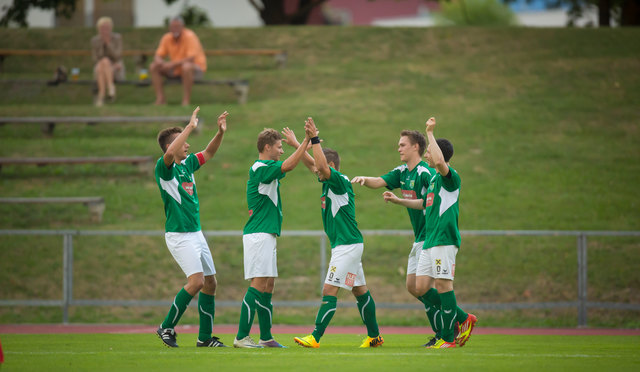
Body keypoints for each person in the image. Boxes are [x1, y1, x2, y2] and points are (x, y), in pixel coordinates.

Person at [382, 117, 477, 349]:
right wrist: (398, 201)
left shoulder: (449, 178)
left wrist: (430, 132)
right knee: (420, 287)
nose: (426, 155)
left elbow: (441, 163)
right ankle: (463, 317)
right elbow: (424, 203)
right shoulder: (434, 179)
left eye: (430, 152)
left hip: (444, 239)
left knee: (445, 286)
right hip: (430, 240)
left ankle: (447, 338)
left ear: (439, 156)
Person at [289, 117, 383, 349]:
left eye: (322, 168)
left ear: (330, 166)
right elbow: (315, 166)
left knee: (329, 289)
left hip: (347, 246)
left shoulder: (339, 181)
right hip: (347, 245)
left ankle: (315, 337)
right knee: (360, 290)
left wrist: (314, 139)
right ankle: (375, 337)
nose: (316, 172)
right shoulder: (328, 182)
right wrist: (296, 145)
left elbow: (319, 166)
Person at [351, 130, 446, 346]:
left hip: (431, 235)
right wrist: (365, 179)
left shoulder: (425, 173)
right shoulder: (403, 172)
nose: (399, 148)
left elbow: (432, 202)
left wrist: (398, 201)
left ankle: (451, 323)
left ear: (416, 147)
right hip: (419, 237)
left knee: (422, 287)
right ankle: (449, 322)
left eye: (403, 144)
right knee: (413, 287)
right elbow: (380, 181)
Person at [154, 106, 229, 348]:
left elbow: (208, 152)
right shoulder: (164, 169)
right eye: (182, 141)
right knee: (196, 281)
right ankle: (166, 327)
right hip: (179, 235)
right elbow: (172, 153)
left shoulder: (188, 165)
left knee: (210, 283)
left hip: (196, 233)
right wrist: (190, 126)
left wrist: (220, 132)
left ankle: (204, 338)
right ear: (169, 148)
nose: (187, 145)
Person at [233, 124, 312, 349]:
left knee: (268, 285)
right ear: (267, 147)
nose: (281, 150)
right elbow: (288, 165)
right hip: (258, 234)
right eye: (278, 146)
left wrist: (301, 143)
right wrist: (305, 141)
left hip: (266, 234)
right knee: (258, 284)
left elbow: (288, 164)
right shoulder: (259, 167)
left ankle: (266, 337)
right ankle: (241, 336)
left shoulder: (267, 167)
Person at [150, 16, 207, 106]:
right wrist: (159, 61)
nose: (175, 29)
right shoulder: (167, 38)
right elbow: (158, 55)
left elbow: (191, 58)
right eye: (173, 26)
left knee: (186, 66)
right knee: (154, 66)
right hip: (176, 69)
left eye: (177, 26)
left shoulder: (190, 36)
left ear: (182, 26)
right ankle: (160, 100)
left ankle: (186, 101)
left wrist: (171, 64)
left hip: (195, 69)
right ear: (169, 27)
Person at [91, 16, 124, 107]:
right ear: (98, 29)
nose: (105, 30)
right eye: (102, 28)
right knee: (103, 62)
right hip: (101, 66)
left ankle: (101, 97)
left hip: (116, 67)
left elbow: (117, 56)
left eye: (107, 28)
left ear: (111, 28)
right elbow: (96, 58)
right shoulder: (95, 40)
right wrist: (102, 44)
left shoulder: (117, 38)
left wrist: (108, 44)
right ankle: (111, 88)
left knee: (103, 65)